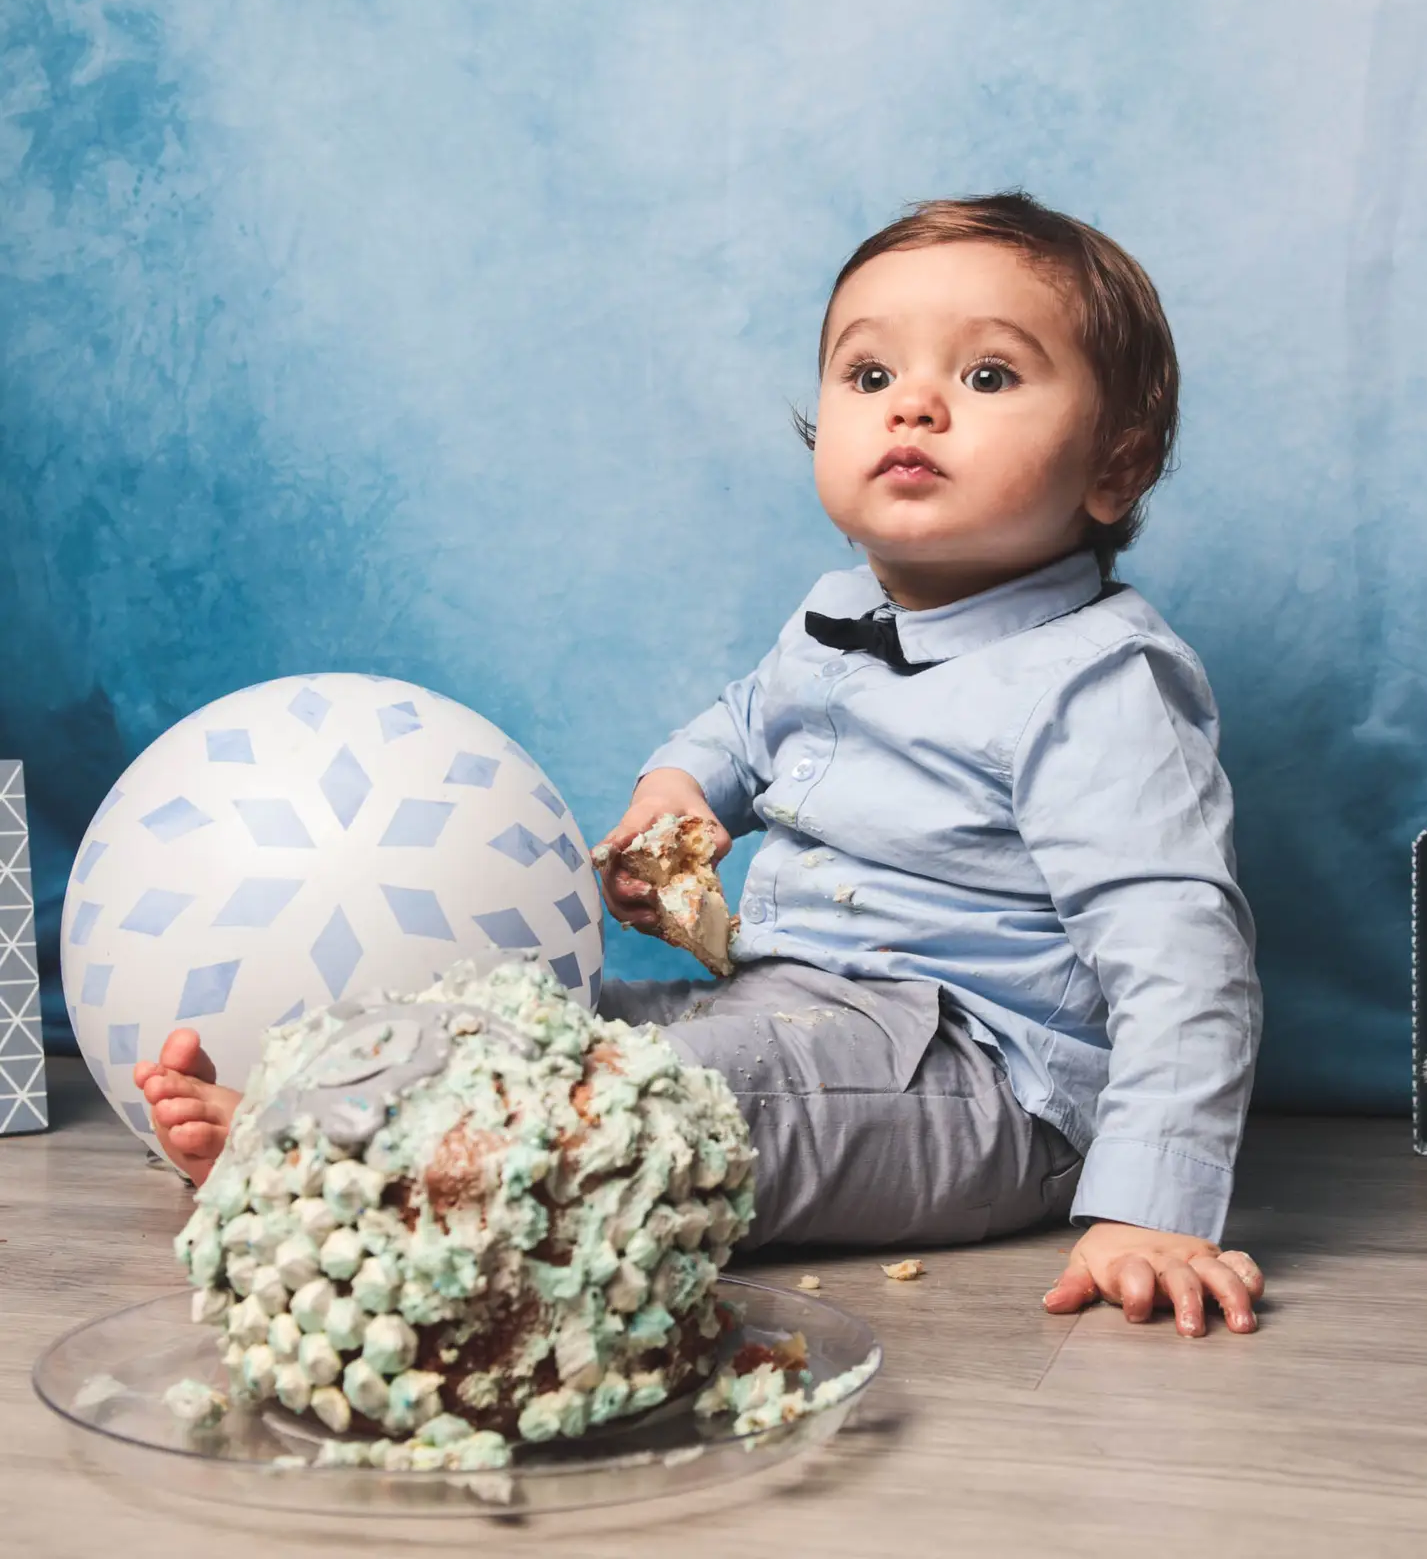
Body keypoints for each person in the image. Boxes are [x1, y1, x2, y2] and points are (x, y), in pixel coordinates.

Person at [136, 191, 1265, 1338]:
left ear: (1113, 469)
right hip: (785, 1000)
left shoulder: (1097, 684)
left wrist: (1153, 1205)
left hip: (979, 1078)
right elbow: (740, 725)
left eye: (986, 378)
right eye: (869, 377)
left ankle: (376, 1178)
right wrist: (680, 791)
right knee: (529, 1016)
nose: (913, 404)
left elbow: (1185, 951)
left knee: (672, 1112)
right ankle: (324, 1111)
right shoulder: (836, 614)